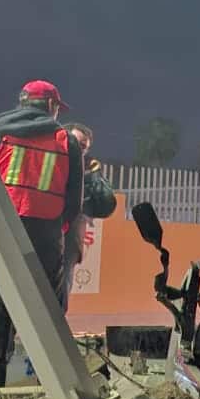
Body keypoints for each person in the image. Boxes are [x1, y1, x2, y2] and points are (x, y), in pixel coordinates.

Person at [0, 80, 83, 387]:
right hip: (46, 239)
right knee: (49, 314)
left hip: (0, 234)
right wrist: (56, 230)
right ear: (50, 106)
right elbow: (72, 202)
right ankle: (48, 387)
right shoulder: (66, 140)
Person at [55, 123, 118, 311]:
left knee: (61, 289)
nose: (79, 149)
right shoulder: (49, 159)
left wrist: (93, 176)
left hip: (69, 239)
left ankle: (54, 331)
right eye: (75, 142)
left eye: (84, 147)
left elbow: (106, 205)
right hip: (41, 231)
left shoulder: (90, 167)